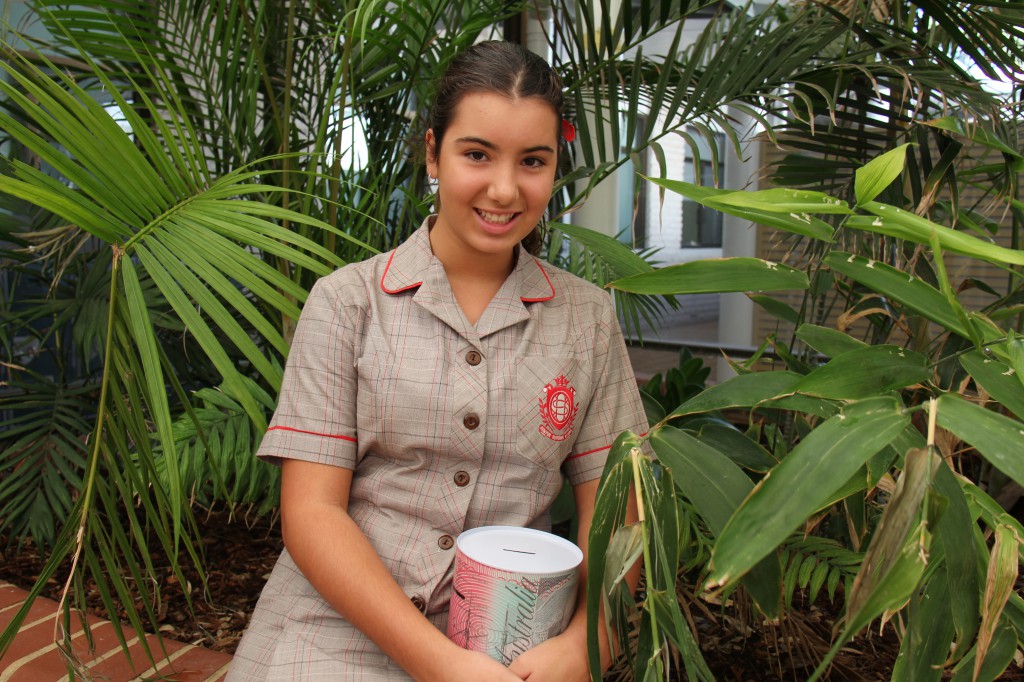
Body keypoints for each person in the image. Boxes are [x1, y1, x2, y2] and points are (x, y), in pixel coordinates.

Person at [228, 40, 645, 681]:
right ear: (432, 152)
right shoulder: (348, 302)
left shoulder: (585, 318)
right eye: (477, 154)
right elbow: (311, 513)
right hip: (339, 622)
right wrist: (441, 665)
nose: (504, 190)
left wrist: (591, 640)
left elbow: (619, 505)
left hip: (515, 634)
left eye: (532, 162)